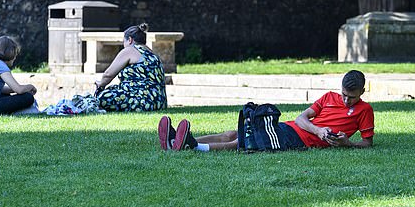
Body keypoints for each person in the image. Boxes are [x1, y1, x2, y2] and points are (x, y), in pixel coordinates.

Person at [158, 70, 374, 151]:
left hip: (298, 142)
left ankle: (193, 146)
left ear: (362, 92)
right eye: (344, 94)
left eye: (351, 97)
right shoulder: (329, 97)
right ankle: (180, 138)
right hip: (290, 129)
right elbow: (301, 118)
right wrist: (318, 130)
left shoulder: (365, 111)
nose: (346, 100)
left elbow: (367, 143)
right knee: (235, 133)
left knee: (241, 143)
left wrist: (347, 143)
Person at [95, 23, 167, 112]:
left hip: (143, 101)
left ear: (129, 40)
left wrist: (100, 84)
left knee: (102, 98)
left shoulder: (130, 50)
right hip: (159, 101)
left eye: (123, 42)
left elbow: (108, 74)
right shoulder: (152, 53)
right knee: (113, 89)